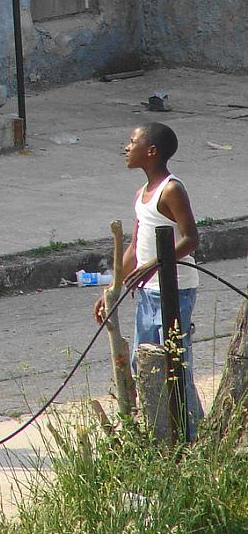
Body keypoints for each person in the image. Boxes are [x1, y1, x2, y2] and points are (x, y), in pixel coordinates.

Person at [93, 122, 202, 437]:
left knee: (176, 365)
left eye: (132, 142)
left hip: (176, 291)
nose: (126, 148)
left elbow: (190, 239)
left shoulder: (171, 188)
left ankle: (191, 434)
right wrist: (111, 291)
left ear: (151, 151)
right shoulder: (142, 194)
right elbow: (134, 248)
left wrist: (156, 263)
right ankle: (159, 431)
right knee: (148, 363)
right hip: (147, 293)